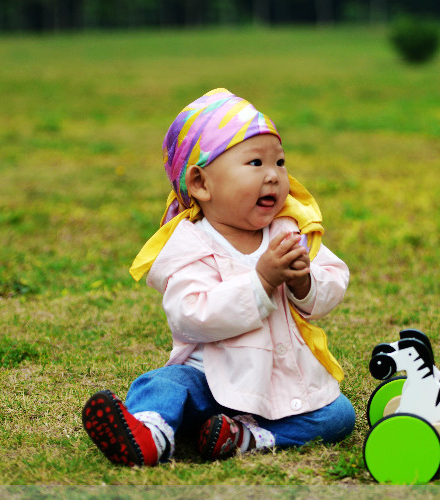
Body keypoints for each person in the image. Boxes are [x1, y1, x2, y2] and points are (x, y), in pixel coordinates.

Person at [82, 88, 355, 467]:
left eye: (280, 161)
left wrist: (304, 283)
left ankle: (249, 438)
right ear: (200, 184)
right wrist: (260, 282)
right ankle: (150, 433)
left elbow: (332, 279)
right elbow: (190, 315)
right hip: (209, 380)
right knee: (163, 385)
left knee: (338, 414)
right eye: (256, 163)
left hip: (277, 381)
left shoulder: (289, 230)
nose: (274, 176)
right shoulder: (190, 242)